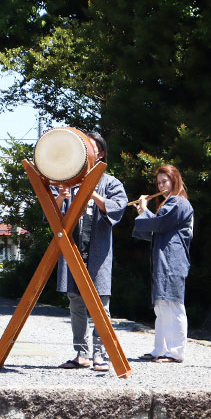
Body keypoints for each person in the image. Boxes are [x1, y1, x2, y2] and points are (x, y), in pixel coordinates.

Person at [55, 132, 128, 372]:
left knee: (101, 305)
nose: (87, 150)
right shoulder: (69, 180)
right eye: (84, 146)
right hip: (73, 250)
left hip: (98, 252)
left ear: (101, 153)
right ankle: (81, 354)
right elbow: (52, 217)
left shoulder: (111, 182)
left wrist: (92, 191)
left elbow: (117, 209)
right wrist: (61, 197)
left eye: (92, 147)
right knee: (75, 302)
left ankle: (100, 355)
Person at [131, 165, 194, 363]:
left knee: (172, 304)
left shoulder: (178, 202)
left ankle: (176, 352)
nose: (161, 186)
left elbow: (159, 224)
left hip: (173, 260)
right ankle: (160, 349)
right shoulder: (171, 203)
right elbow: (155, 229)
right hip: (164, 258)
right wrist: (144, 212)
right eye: (158, 183)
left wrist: (144, 210)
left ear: (175, 180)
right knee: (161, 306)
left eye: (164, 181)